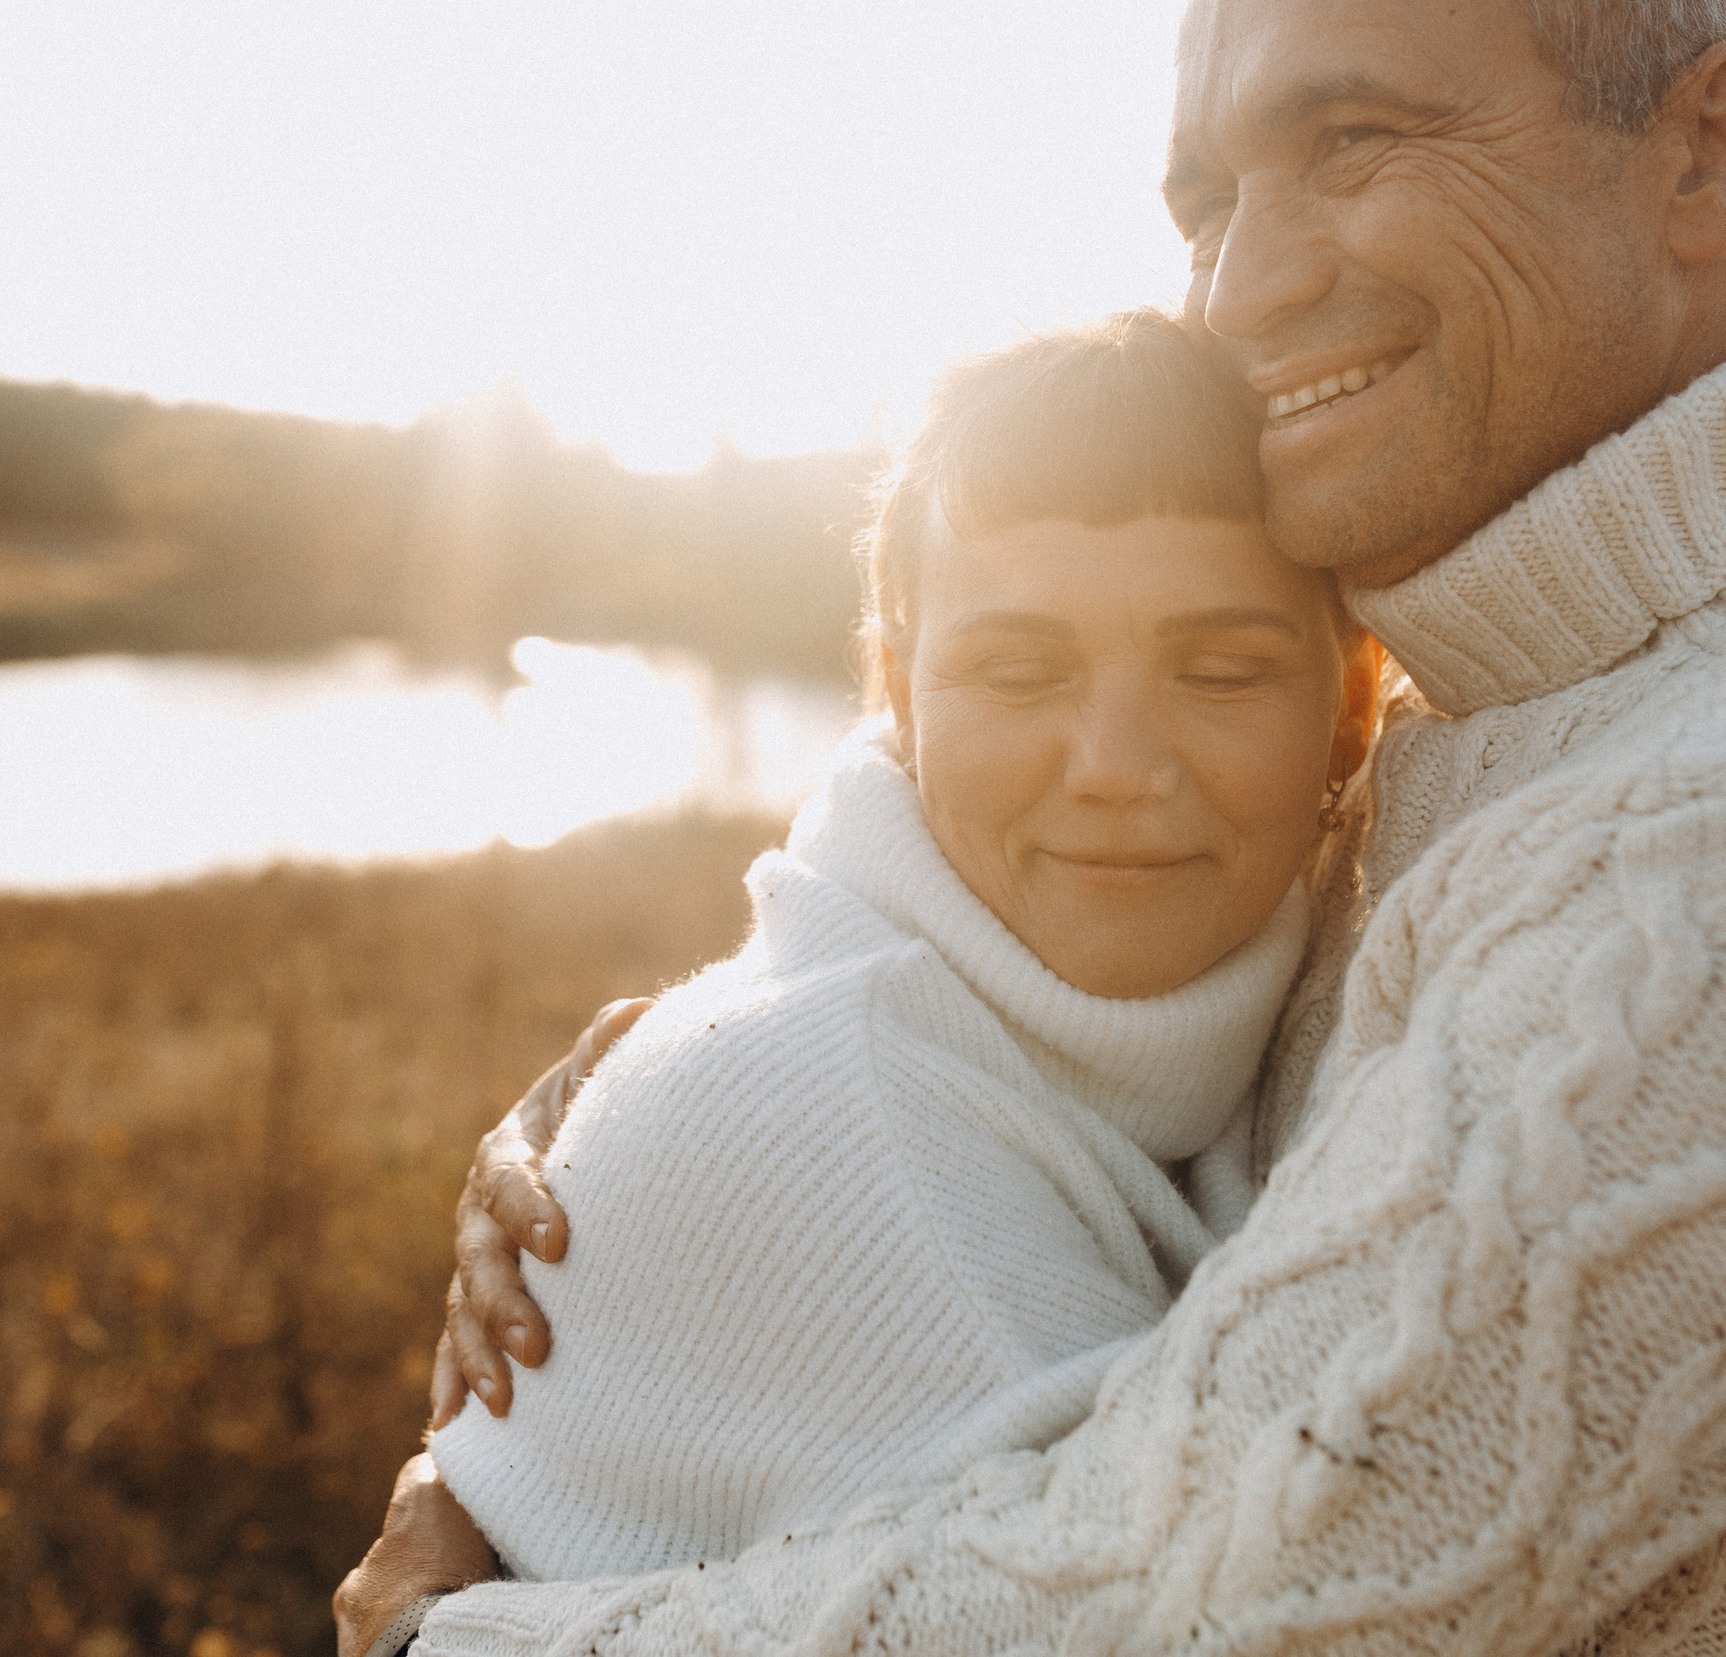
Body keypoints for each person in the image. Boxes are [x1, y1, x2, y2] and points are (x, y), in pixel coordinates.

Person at [342, 0, 1726, 1652]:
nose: (1239, 287)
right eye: (1207, 202)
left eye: (1351, 141)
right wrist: (679, 1134)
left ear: (1709, 155)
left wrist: (471, 1635)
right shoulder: (1506, 714)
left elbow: (1185, 1592)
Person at [417, 309, 1367, 1586]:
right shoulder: (892, 1182)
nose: (1115, 765)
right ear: (901, 694)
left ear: (1351, 706)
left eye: (1221, 670)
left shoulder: (1274, 1005)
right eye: (1019, 673)